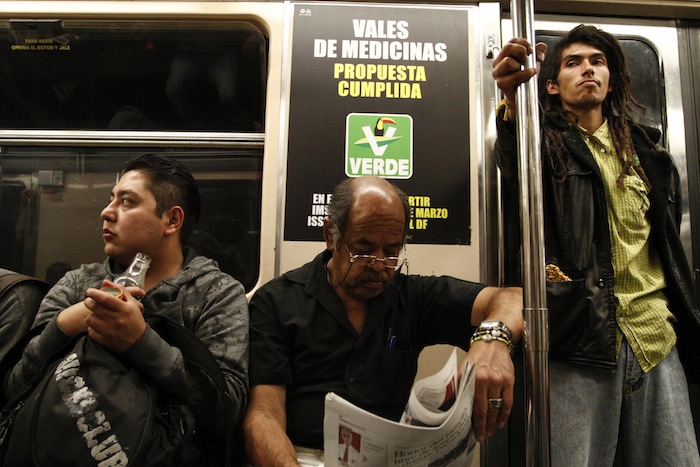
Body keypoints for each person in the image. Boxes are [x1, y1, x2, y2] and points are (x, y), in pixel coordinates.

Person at [492, 24, 700, 465]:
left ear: (610, 79)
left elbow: (664, 243)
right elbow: (512, 155)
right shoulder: (543, 145)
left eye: (597, 61)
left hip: (654, 338)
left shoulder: (648, 153)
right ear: (552, 84)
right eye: (572, 63)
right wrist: (512, 101)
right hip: (579, 341)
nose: (587, 69)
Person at [244, 175, 523, 466]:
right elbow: (264, 414)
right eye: (363, 249)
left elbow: (513, 298)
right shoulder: (277, 301)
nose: (378, 265)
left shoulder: (413, 297)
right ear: (330, 235)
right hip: (301, 457)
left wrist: (493, 340)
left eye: (391, 252)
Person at [2, 154, 249, 464]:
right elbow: (14, 388)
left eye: (127, 202)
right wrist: (65, 325)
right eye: (110, 200)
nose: (106, 212)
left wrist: (140, 342)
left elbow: (228, 408)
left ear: (171, 220)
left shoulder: (215, 293)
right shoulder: (77, 285)